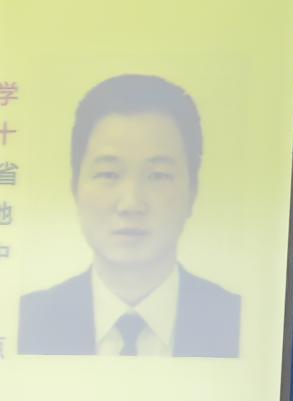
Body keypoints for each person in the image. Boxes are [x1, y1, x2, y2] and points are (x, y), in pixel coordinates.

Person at [18, 74, 240, 358]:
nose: (131, 204)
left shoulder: (238, 321)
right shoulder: (26, 321)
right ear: (75, 188)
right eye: (108, 174)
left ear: (192, 192)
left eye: (157, 176)